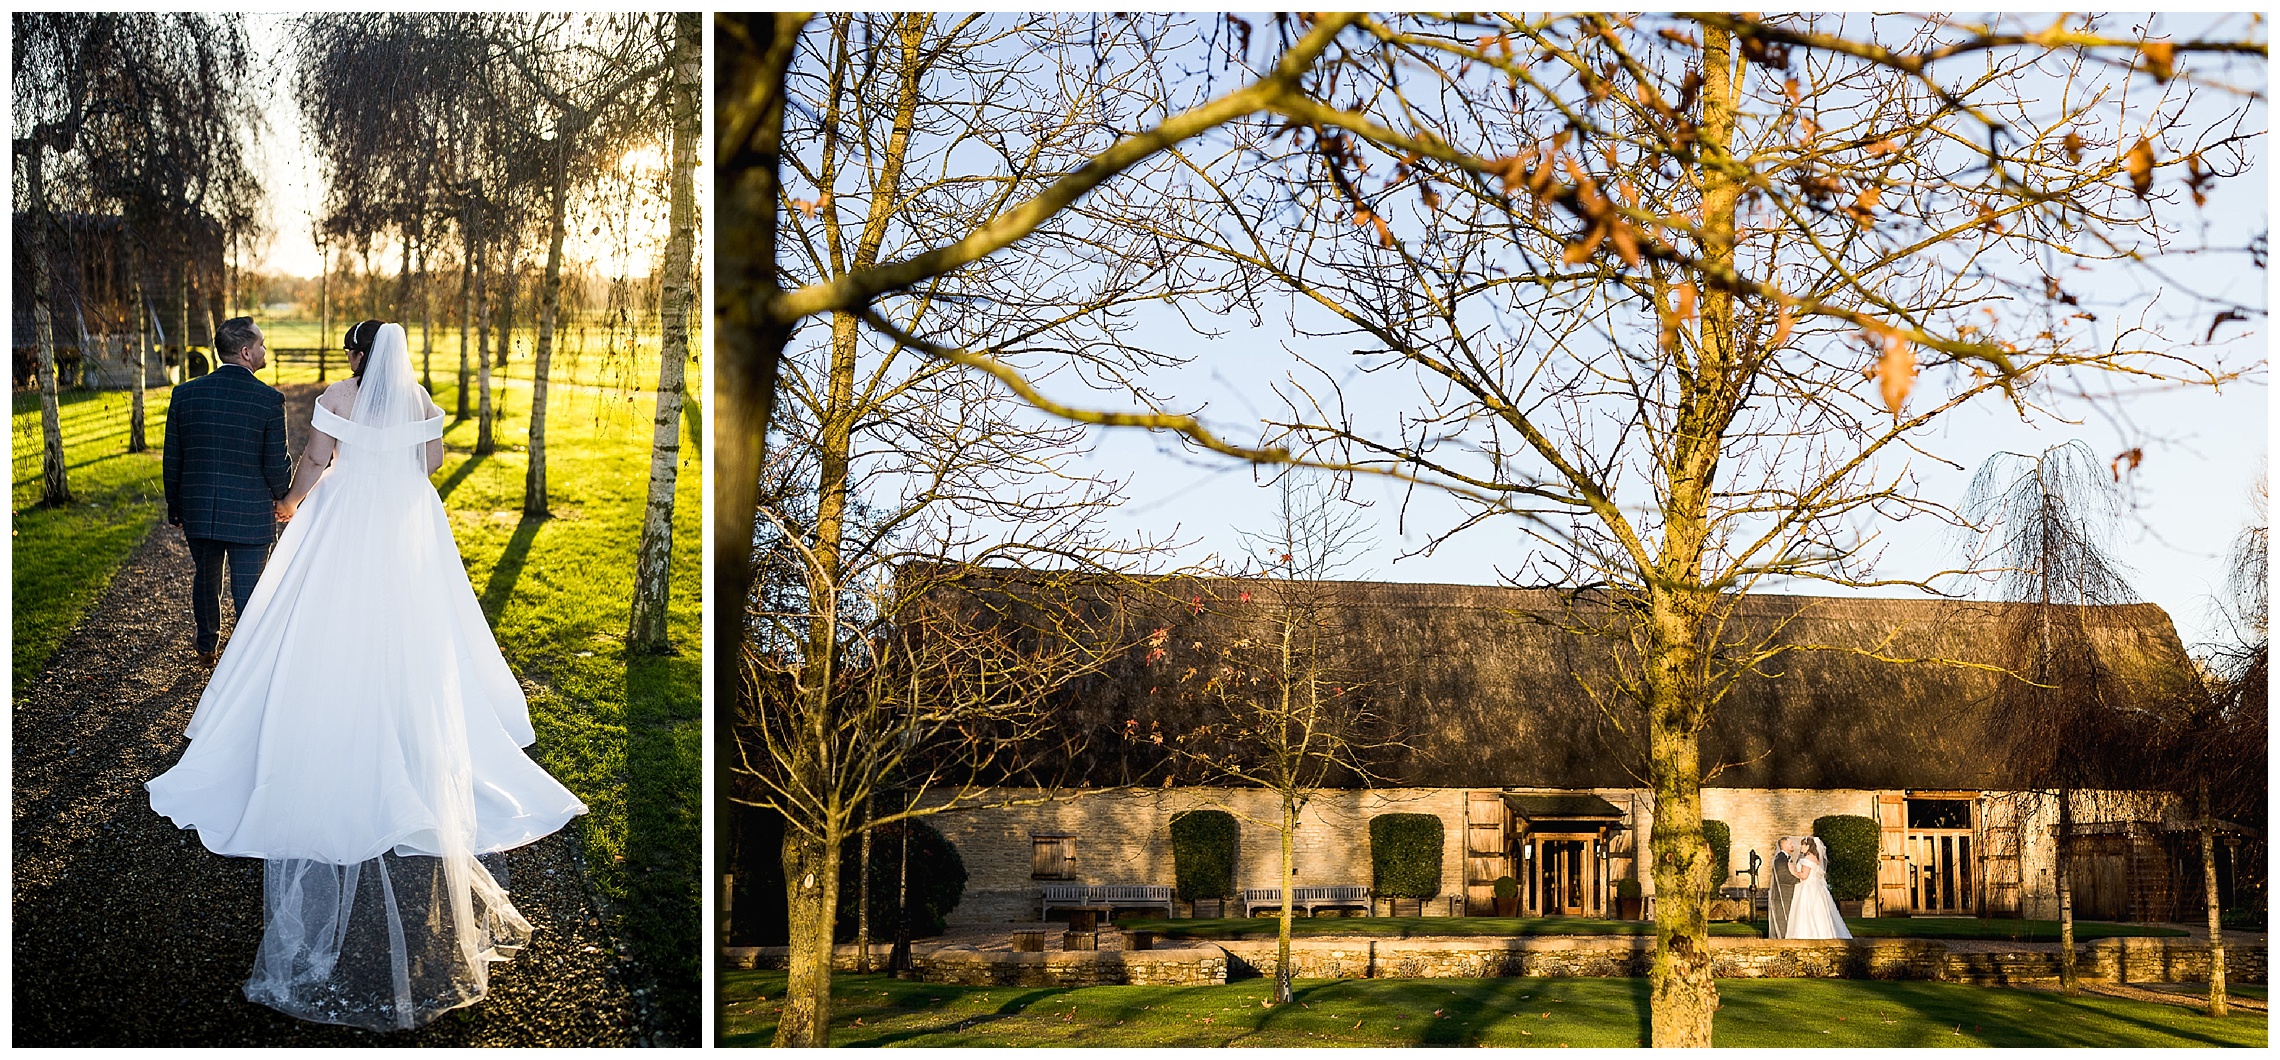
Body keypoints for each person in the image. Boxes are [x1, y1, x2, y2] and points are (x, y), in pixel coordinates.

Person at [148, 320, 588, 1031]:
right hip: (407, 523)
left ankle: (335, 719)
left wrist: (292, 503)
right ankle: (407, 729)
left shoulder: (341, 394)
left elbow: (319, 458)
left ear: (359, 355)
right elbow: (432, 463)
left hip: (349, 518)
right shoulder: (415, 396)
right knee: (413, 629)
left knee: (331, 620)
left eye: (353, 351)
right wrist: (390, 468)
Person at [161, 317, 290, 667]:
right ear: (247, 352)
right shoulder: (268, 400)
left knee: (205, 578)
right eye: (261, 344)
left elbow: (173, 457)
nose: (265, 349)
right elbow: (276, 465)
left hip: (199, 510)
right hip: (249, 515)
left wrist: (175, 507)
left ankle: (206, 645)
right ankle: (246, 661)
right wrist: (286, 500)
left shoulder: (185, 394)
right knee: (249, 590)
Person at [1782, 836, 1854, 940]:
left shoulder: (1807, 859)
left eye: (1803, 845)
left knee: (1806, 911)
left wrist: (1792, 870)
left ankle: (1806, 935)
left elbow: (1804, 876)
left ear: (1808, 846)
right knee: (1820, 912)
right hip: (1817, 888)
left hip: (1807, 888)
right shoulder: (1816, 858)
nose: (1800, 846)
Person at [1767, 835, 1798, 940]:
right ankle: (1782, 939)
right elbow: (1783, 876)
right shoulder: (1780, 859)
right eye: (1790, 843)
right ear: (1784, 845)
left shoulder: (1787, 858)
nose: (1792, 845)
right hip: (1783, 894)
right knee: (1783, 917)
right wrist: (1799, 880)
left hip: (1787, 893)